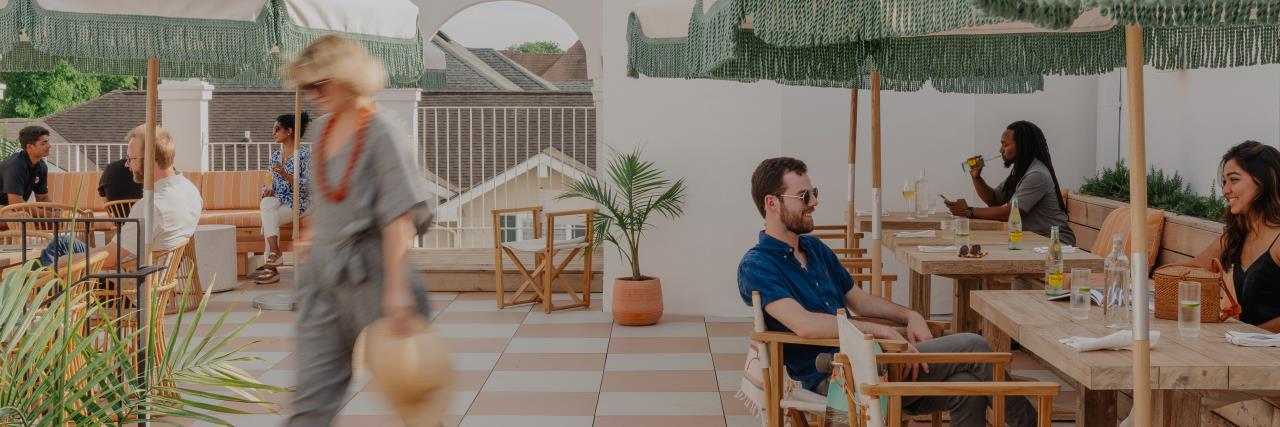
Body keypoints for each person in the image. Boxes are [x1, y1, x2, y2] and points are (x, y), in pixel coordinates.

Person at [738, 157, 1037, 427]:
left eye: (814, 192)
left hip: (873, 361)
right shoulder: (758, 265)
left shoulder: (814, 249)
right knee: (974, 346)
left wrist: (910, 316)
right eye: (804, 196)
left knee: (968, 386)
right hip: (838, 378)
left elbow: (861, 301)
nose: (814, 201)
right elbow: (805, 325)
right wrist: (881, 332)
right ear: (772, 203)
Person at [283, 35, 435, 426]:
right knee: (310, 396)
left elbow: (400, 216)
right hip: (323, 278)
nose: (313, 94)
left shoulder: (382, 131)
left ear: (348, 76)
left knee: (411, 395)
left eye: (320, 84)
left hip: (375, 277)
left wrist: (397, 291)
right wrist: (312, 235)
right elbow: (326, 198)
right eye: (306, 86)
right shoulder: (319, 131)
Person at [40, 125, 202, 269]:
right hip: (151, 268)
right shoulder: (190, 190)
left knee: (60, 251)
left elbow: (110, 259)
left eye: (131, 159)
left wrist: (64, 262)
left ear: (150, 161)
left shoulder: (151, 207)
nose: (127, 165)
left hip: (127, 280)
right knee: (65, 243)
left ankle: (34, 290)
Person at [1192, 141, 1280, 333]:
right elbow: (1189, 273)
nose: (1225, 190)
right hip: (1244, 344)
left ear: (1262, 182)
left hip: (1264, 347)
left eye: (1234, 180)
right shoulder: (1239, 234)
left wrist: (1249, 335)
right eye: (1224, 182)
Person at [944, 121, 1075, 246]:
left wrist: (968, 211)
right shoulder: (1021, 171)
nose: (1000, 150)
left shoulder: (1037, 175)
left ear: (1022, 146)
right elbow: (994, 199)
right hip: (1034, 240)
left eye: (1005, 145)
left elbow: (1010, 213)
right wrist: (976, 178)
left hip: (1055, 243)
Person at [248, 112, 313, 285]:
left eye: (277, 129)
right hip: (279, 198)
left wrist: (286, 175)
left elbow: (309, 186)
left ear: (289, 131)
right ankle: (275, 253)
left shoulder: (304, 155)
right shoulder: (276, 156)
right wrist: (266, 190)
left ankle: (271, 269)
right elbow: (268, 179)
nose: (273, 133)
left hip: (301, 201)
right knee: (266, 203)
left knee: (268, 217)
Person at [0, 125, 52, 206]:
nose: (49, 145)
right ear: (30, 147)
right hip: (7, 208)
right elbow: (16, 204)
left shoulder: (41, 166)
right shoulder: (15, 166)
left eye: (48, 142)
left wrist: (57, 210)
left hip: (11, 209)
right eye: (43, 143)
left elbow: (43, 198)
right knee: (22, 212)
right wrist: (47, 213)